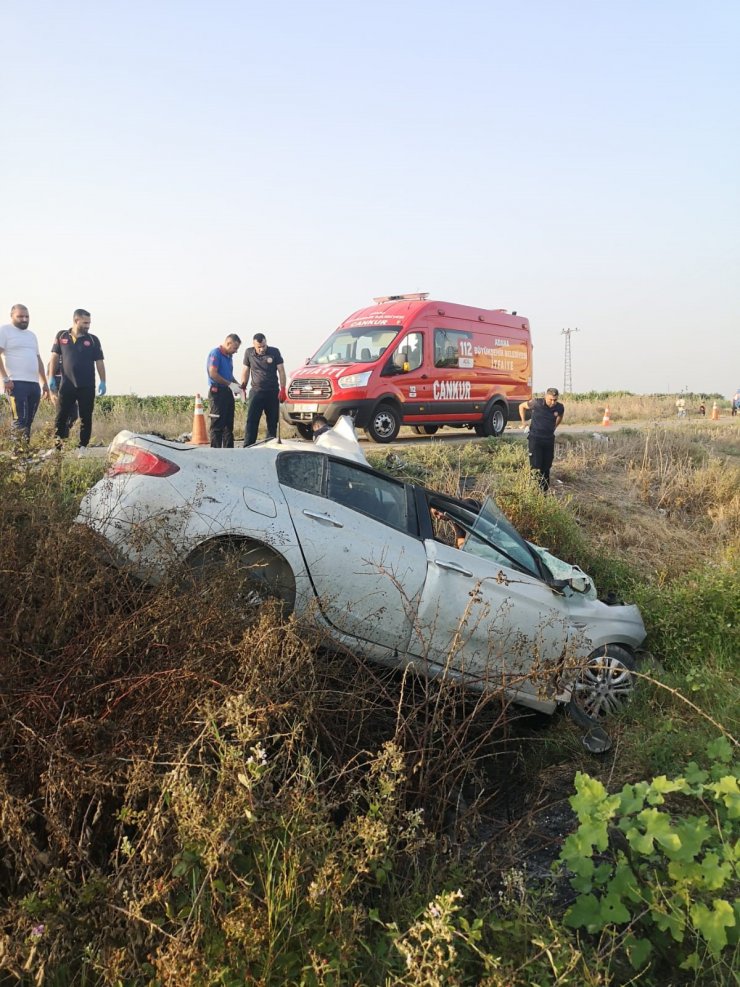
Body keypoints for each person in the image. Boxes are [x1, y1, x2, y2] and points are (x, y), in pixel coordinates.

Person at [49, 309, 106, 451]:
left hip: (86, 385)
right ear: (76, 321)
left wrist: (103, 381)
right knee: (61, 417)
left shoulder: (93, 340)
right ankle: (57, 448)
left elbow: (99, 361)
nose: (88, 326)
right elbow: (54, 357)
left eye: (89, 323)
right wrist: (50, 377)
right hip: (67, 384)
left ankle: (83, 447)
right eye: (85, 323)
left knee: (86, 417)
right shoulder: (62, 336)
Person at [0, 304, 50, 444]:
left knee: (28, 421)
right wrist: (5, 378)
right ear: (12, 316)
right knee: (19, 420)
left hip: (33, 384)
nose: (24, 319)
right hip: (16, 383)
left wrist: (44, 383)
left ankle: (25, 456)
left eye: (26, 316)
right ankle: (16, 456)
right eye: (20, 316)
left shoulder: (31, 335)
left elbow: (37, 359)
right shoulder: (5, 331)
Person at [241, 332, 286, 447]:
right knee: (251, 421)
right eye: (259, 347)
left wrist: (283, 389)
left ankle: (270, 446)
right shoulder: (248, 352)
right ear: (254, 345)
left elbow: (281, 370)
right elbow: (245, 370)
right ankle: (248, 446)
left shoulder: (274, 352)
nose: (262, 349)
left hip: (272, 392)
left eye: (264, 346)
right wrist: (243, 387)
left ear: (266, 343)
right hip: (256, 392)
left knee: (272, 422)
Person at [519, 387, 565, 491]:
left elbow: (560, 416)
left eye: (555, 400)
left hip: (548, 440)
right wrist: (523, 422)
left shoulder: (559, 407)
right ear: (546, 397)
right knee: (536, 466)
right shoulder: (537, 403)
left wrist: (554, 427)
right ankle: (534, 492)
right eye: (551, 399)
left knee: (546, 467)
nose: (553, 402)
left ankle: (543, 493)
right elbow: (521, 406)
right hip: (535, 439)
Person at [206, 334, 241, 448]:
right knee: (217, 425)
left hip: (227, 392)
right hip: (217, 393)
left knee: (228, 425)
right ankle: (215, 453)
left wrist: (237, 385)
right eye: (235, 348)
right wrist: (230, 384)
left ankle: (229, 452)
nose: (236, 351)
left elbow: (229, 376)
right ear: (228, 343)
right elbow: (213, 373)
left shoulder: (229, 357)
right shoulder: (216, 354)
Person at [47, 356, 79, 432]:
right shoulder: (54, 360)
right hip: (59, 390)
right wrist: (52, 394)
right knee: (62, 416)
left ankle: (64, 436)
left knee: (74, 416)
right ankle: (57, 438)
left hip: (71, 390)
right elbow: (50, 377)